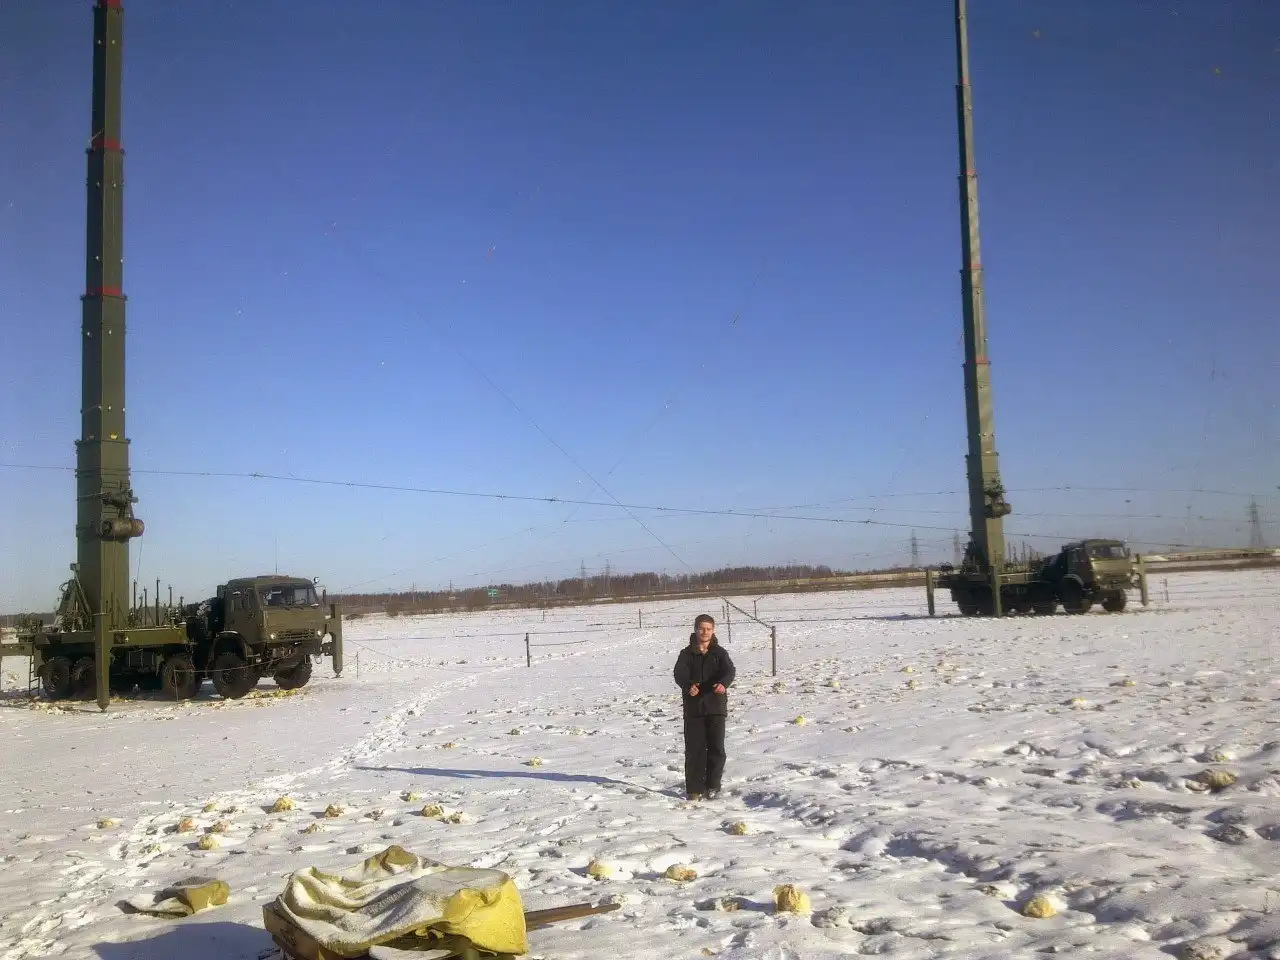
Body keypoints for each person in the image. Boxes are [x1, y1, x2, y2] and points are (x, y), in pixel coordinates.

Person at [673, 613, 736, 800]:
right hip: (694, 709)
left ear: (713, 630)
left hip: (716, 707)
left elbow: (730, 671)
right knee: (694, 750)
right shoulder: (686, 654)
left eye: (708, 629)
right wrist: (688, 686)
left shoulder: (719, 653)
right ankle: (694, 789)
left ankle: (713, 785)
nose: (705, 632)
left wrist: (723, 684)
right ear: (695, 629)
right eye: (701, 628)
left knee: (716, 748)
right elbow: (679, 673)